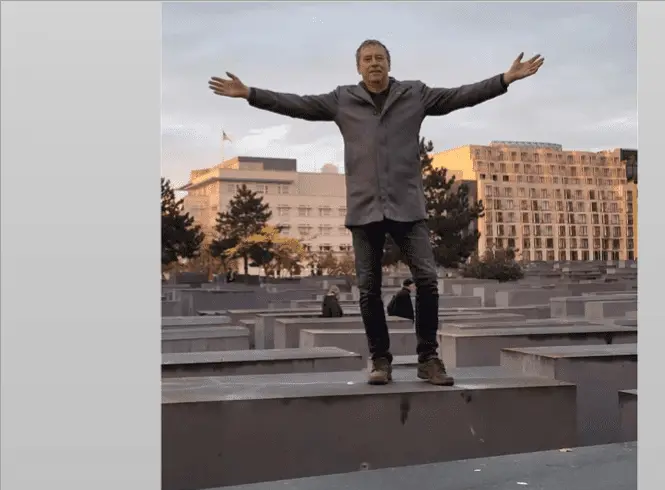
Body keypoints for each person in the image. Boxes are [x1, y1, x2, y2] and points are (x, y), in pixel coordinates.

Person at [208, 39, 545, 386]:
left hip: (408, 205)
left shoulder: (415, 94)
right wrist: (249, 93)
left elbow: (461, 96)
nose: (374, 64)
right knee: (368, 288)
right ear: (358, 67)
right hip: (365, 207)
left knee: (428, 280)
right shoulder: (342, 99)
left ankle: (428, 358)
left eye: (379, 58)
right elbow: (296, 105)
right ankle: (380, 359)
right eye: (367, 59)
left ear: (389, 63)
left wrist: (504, 79)